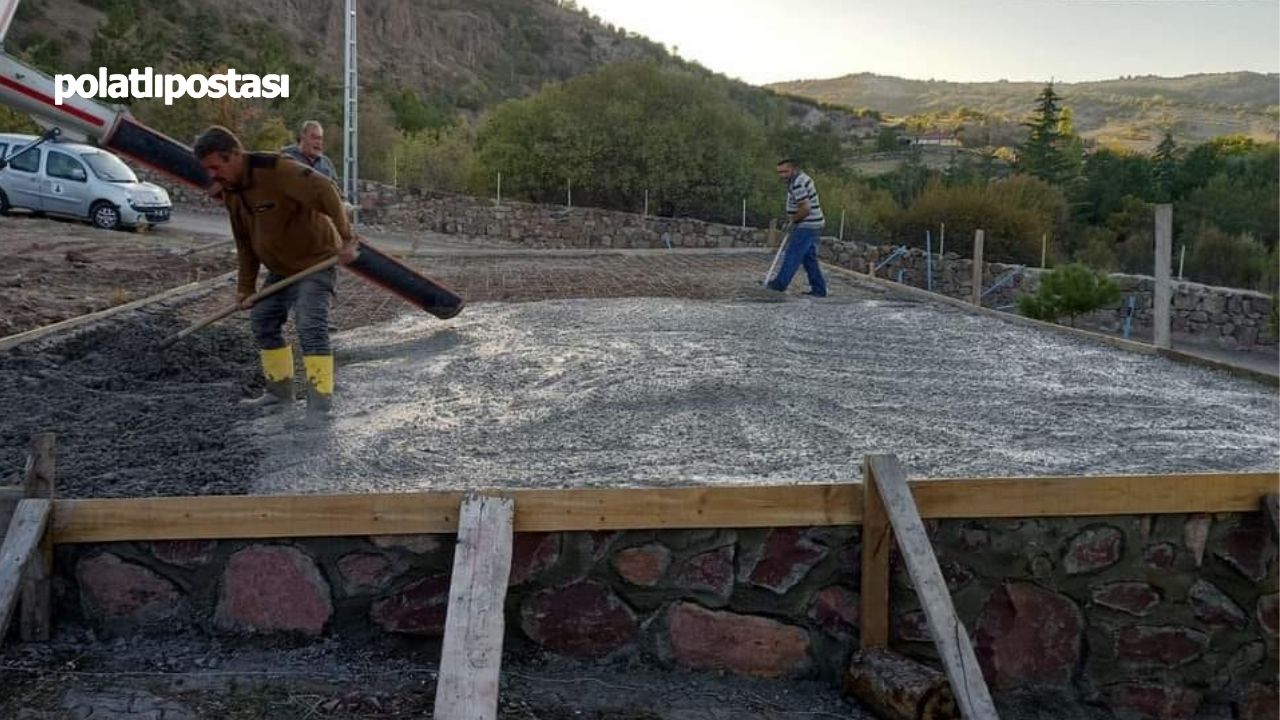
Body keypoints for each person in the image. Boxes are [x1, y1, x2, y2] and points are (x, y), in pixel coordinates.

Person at [193, 125, 359, 417]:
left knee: (310, 326)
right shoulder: (232, 192)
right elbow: (244, 242)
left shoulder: (277, 169)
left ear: (233, 155)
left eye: (215, 167)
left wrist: (346, 238)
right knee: (263, 321)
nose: (212, 175)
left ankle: (320, 404)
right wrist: (245, 288)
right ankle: (279, 394)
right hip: (281, 269)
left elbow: (326, 190)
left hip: (315, 262)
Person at [768, 159, 828, 297]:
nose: (782, 175)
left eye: (785, 171)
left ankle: (779, 285)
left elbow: (805, 208)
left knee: (793, 255)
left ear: (793, 169)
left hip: (807, 224)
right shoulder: (800, 179)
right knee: (809, 259)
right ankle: (819, 290)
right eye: (779, 172)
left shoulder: (798, 183)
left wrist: (792, 220)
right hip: (814, 223)